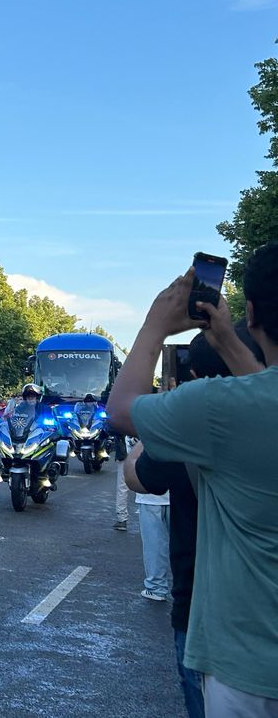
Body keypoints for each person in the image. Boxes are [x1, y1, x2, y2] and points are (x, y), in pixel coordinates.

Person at [107, 246, 277, 714]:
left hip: (247, 664)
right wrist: (225, 340)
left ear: (253, 312)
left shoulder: (219, 408)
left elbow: (121, 411)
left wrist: (155, 326)